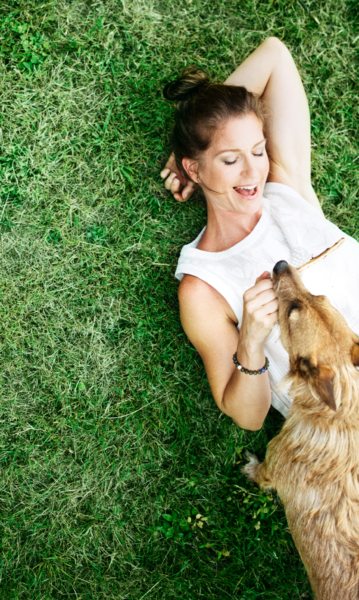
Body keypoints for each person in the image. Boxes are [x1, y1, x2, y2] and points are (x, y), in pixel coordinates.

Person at [160, 37, 359, 431]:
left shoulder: (287, 189)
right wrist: (250, 341)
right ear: (196, 170)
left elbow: (275, 56)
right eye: (231, 160)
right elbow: (248, 417)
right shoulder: (203, 287)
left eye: (258, 150)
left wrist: (195, 133)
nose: (253, 172)